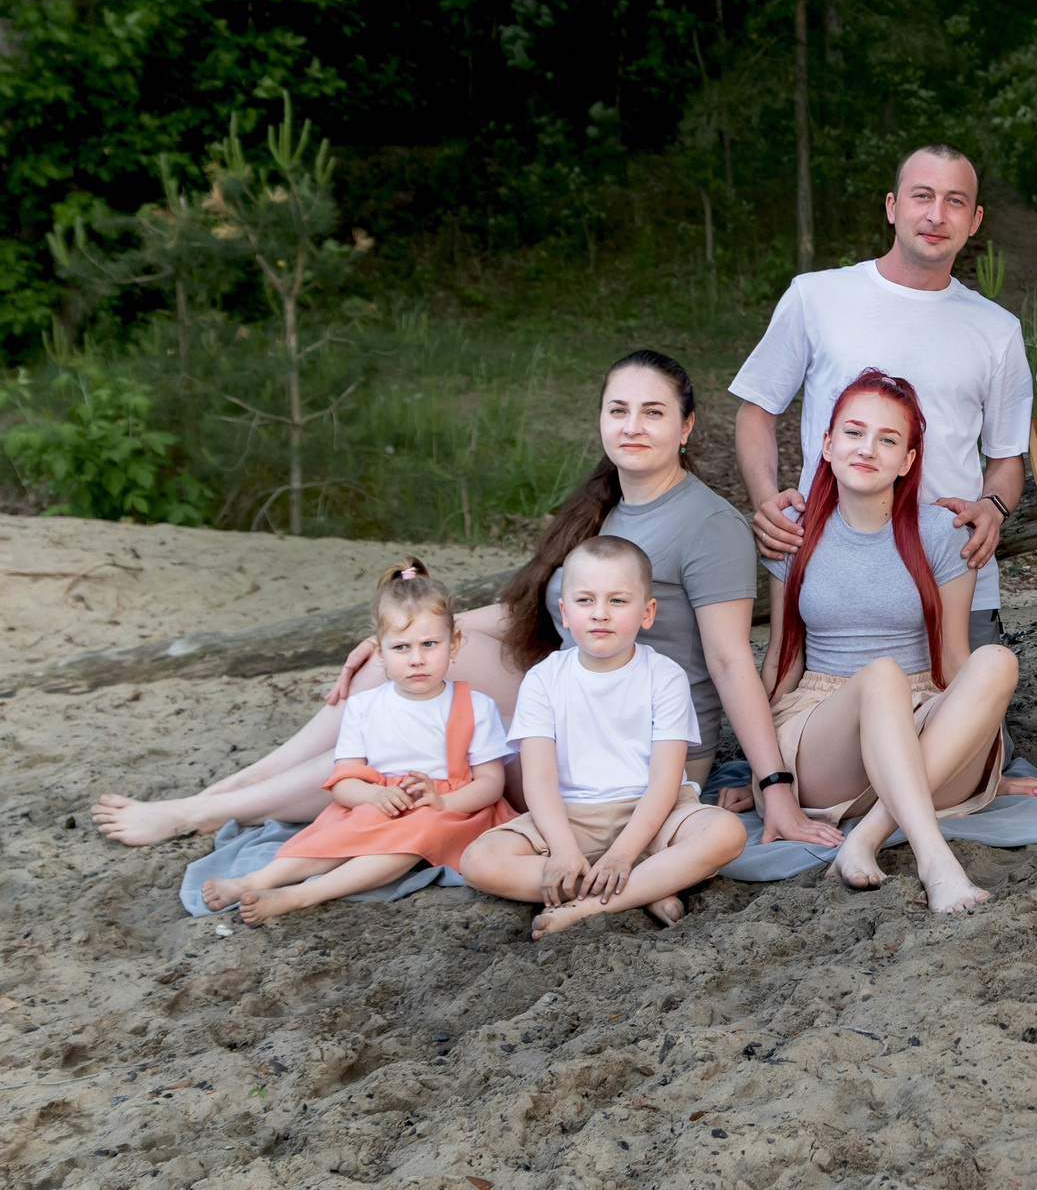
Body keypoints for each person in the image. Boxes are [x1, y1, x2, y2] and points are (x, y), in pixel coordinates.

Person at [89, 352, 824, 848]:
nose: (633, 427)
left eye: (654, 414)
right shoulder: (605, 506)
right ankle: (235, 788)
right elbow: (531, 612)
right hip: (573, 685)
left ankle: (204, 810)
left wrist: (774, 785)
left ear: (687, 427)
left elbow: (732, 662)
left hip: (637, 733)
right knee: (397, 673)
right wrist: (408, 636)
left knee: (417, 739)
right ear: (600, 419)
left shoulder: (709, 526)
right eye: (619, 411)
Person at [730, 144, 1034, 653]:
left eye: (955, 201)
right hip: (830, 574)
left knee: (968, 720)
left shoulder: (997, 330)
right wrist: (765, 499)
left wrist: (994, 506)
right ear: (892, 207)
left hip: (952, 574)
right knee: (814, 715)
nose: (937, 215)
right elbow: (756, 409)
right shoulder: (816, 297)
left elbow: (1006, 458)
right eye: (922, 196)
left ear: (975, 219)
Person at [757, 370, 1037, 912]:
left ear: (908, 460)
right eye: (854, 433)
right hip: (826, 734)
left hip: (921, 718)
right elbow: (781, 663)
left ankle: (866, 838)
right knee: (880, 674)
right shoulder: (793, 530)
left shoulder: (939, 532)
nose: (868, 449)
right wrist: (764, 779)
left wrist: (980, 751)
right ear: (827, 443)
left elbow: (956, 662)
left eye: (888, 440)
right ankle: (935, 861)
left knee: (997, 660)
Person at [458, 537, 748, 937]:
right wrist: (561, 849)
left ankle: (586, 905)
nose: (599, 614)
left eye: (617, 601)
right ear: (563, 612)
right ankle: (646, 885)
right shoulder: (544, 679)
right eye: (584, 601)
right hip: (570, 816)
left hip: (653, 812)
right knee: (479, 860)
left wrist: (625, 853)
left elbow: (665, 779)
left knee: (727, 833)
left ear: (647, 613)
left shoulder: (664, 677)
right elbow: (538, 778)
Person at [201, 563, 514, 924]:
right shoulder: (366, 707)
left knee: (416, 832)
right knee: (335, 833)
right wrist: (374, 796)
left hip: (452, 811)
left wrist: (443, 801)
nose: (416, 659)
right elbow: (344, 783)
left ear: (454, 642)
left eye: (430, 644)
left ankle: (304, 894)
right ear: (379, 652)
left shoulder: (476, 706)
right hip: (379, 800)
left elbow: (490, 784)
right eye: (401, 647)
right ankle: (254, 881)